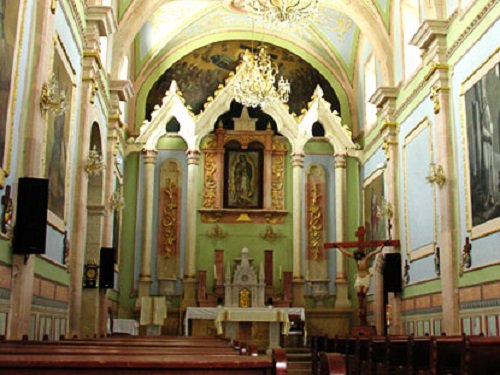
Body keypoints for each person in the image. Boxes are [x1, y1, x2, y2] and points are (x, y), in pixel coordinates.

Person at [334, 243, 386, 324]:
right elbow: (346, 253)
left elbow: (376, 251)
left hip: (366, 277)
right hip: (359, 277)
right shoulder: (355, 259)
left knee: (363, 294)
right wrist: (338, 247)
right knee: (359, 293)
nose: (357, 257)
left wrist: (383, 245)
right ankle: (360, 307)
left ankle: (364, 308)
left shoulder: (366, 258)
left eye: (358, 256)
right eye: (356, 256)